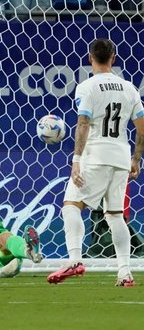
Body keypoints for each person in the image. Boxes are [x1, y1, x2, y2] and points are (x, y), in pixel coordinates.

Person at [47, 39, 144, 287]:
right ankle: (125, 272)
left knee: (71, 205)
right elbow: (141, 127)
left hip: (96, 157)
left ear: (90, 58)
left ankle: (75, 259)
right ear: (113, 58)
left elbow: (83, 123)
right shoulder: (129, 88)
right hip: (121, 157)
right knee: (115, 215)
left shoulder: (87, 87)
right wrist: (136, 158)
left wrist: (76, 159)